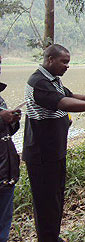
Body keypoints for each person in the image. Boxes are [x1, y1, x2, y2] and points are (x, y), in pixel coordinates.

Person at [23, 44, 85, 242]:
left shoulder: (53, 81)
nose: (67, 66)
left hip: (55, 151)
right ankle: (46, 238)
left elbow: (70, 96)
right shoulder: (38, 81)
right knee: (45, 200)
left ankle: (53, 236)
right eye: (64, 62)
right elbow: (64, 103)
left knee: (56, 197)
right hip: (41, 154)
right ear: (50, 60)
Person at [0, 55, 21, 242]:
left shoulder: (0, 99)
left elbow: (7, 133)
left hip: (6, 172)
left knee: (4, 221)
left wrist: (13, 121)